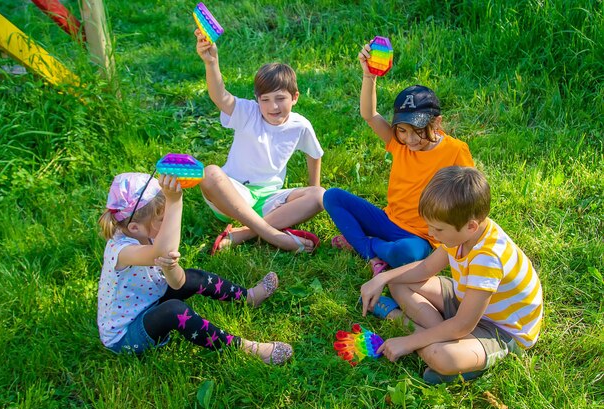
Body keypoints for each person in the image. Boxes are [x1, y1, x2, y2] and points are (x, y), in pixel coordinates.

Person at [360, 166, 543, 384]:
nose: (431, 234)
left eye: (438, 229)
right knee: (400, 282)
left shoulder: (488, 258)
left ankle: (402, 321)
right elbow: (426, 268)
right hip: (467, 298)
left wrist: (410, 342)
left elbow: (462, 325)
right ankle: (438, 340)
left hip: (500, 329)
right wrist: (383, 278)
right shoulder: (462, 233)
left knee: (443, 358)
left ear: (471, 226)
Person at [97, 172, 293, 364]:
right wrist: (175, 202)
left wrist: (171, 268)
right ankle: (247, 349)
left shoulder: (150, 234)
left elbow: (177, 282)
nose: (168, 225)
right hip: (125, 337)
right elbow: (163, 251)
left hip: (151, 302)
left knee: (191, 277)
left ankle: (248, 297)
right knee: (173, 311)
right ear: (134, 228)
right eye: (162, 219)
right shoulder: (121, 250)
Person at [323, 43, 474, 276]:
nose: (410, 139)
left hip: (421, 236)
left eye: (417, 130)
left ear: (437, 122)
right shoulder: (399, 143)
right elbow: (369, 115)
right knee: (332, 196)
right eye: (402, 130)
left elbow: (471, 196)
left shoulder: (455, 150)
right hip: (387, 220)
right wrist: (368, 75)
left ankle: (366, 244)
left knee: (407, 254)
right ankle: (372, 251)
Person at [194, 29, 325, 254]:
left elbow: (315, 154)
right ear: (257, 100)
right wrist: (211, 62)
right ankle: (273, 235)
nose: (273, 107)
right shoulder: (248, 113)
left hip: (269, 200)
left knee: (320, 195)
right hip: (233, 196)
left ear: (294, 97)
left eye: (280, 98)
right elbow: (220, 96)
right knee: (210, 174)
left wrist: (310, 189)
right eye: (265, 100)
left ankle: (245, 233)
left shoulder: (300, 125)